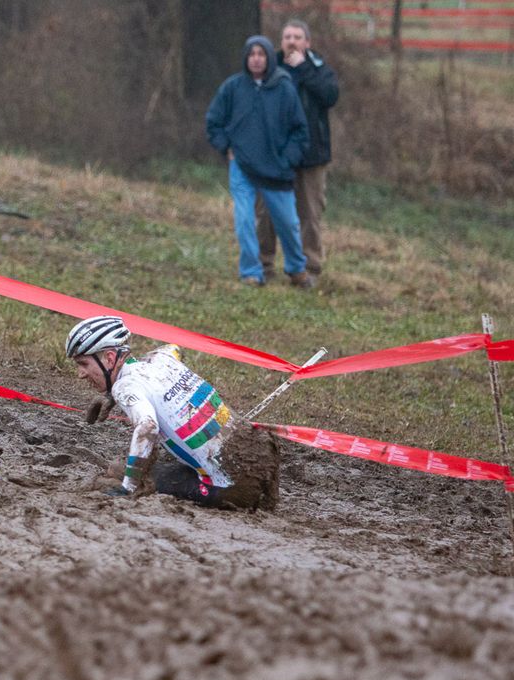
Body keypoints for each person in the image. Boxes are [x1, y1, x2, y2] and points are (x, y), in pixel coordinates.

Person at [66, 316, 279, 510]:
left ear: (110, 358)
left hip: (229, 487)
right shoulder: (160, 358)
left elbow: (148, 427)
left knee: (118, 470)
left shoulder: (125, 387)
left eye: (83, 364)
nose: (81, 374)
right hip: (262, 455)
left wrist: (129, 487)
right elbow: (173, 347)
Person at [205, 35, 310, 289]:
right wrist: (225, 146)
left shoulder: (284, 88)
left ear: (269, 58)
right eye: (251, 54)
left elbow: (300, 132)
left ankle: (296, 269)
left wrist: (287, 160)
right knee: (244, 221)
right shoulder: (232, 87)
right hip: (242, 167)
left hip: (276, 171)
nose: (256, 59)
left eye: (261, 54)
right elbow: (213, 122)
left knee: (288, 224)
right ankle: (251, 272)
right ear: (245, 58)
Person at [257, 19, 339, 290]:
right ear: (280, 41)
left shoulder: (318, 68)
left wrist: (302, 69)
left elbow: (330, 96)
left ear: (307, 42)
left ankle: (310, 267)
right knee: (266, 211)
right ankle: (263, 264)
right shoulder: (269, 67)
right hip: (274, 155)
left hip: (312, 157)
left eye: (297, 37)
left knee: (310, 214)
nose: (291, 41)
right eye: (287, 36)